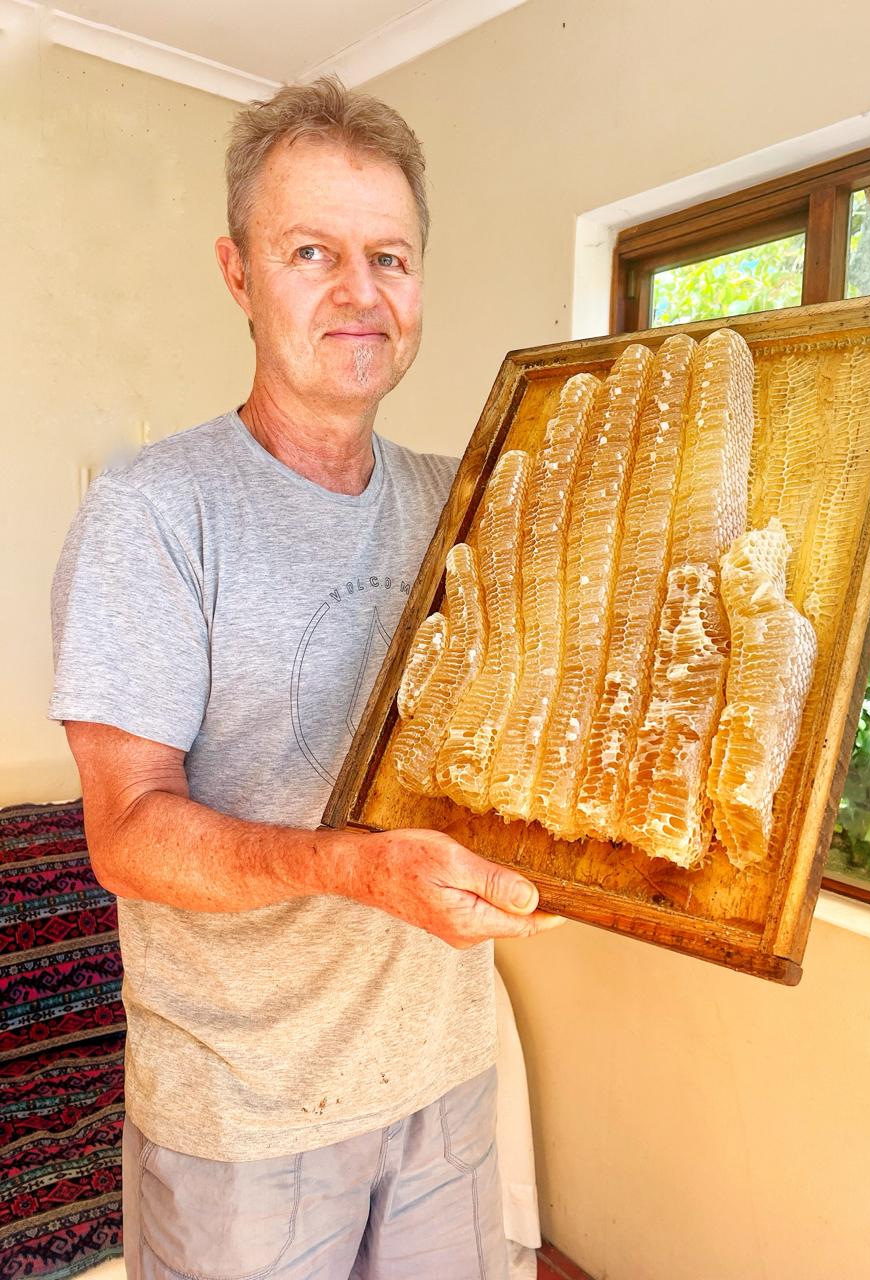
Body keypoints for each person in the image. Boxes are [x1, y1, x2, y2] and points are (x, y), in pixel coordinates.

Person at [49, 76, 562, 1280]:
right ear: (239, 274)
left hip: (444, 1072)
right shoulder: (155, 512)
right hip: (246, 1113)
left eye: (389, 255)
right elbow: (126, 834)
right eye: (311, 251)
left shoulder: (461, 500)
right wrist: (357, 867)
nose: (359, 292)